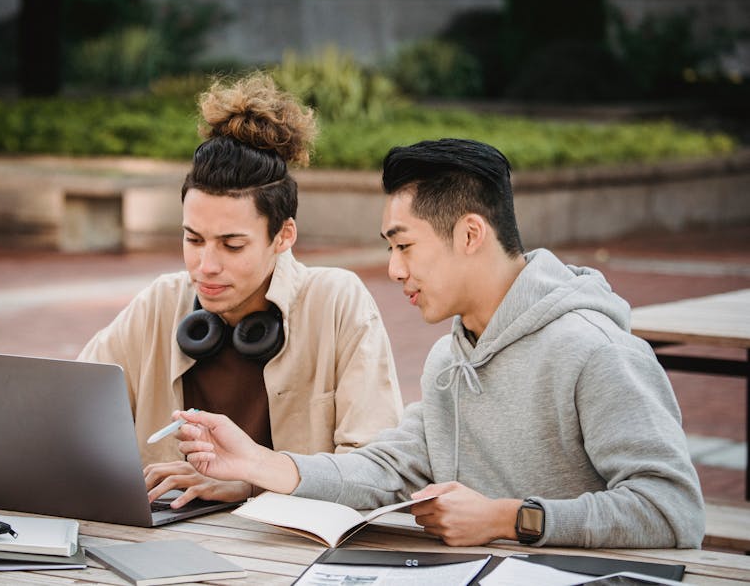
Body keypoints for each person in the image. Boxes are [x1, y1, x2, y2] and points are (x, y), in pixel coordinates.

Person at [173, 138, 705, 548]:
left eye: (404, 245)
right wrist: (258, 463)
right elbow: (385, 470)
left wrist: (508, 517)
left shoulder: (595, 351)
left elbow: (672, 510)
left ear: (470, 234)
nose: (394, 268)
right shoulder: (450, 360)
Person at [78, 73, 403, 507]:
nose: (205, 266)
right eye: (193, 240)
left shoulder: (337, 302)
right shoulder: (160, 302)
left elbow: (378, 477)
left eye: (232, 245)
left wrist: (251, 484)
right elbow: (68, 414)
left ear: (284, 236)